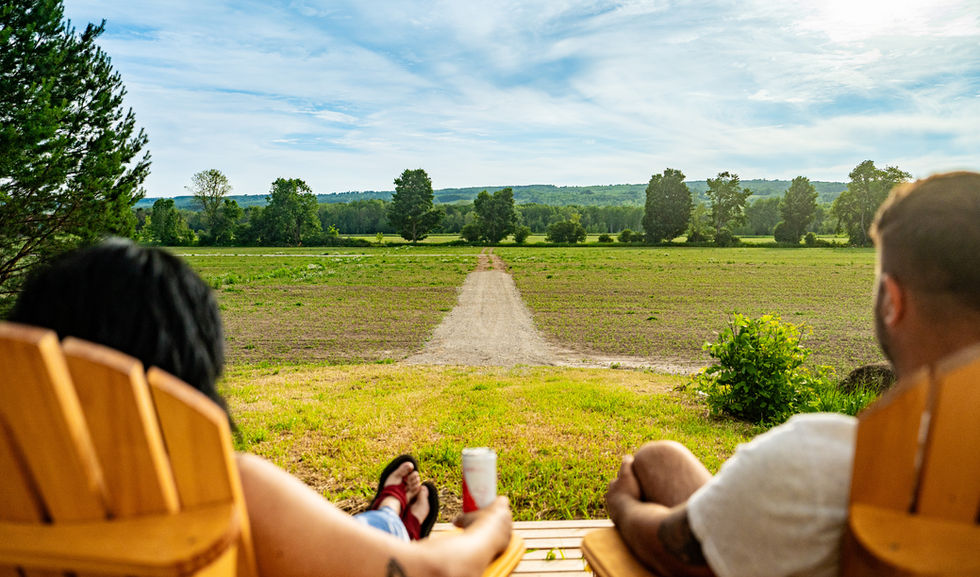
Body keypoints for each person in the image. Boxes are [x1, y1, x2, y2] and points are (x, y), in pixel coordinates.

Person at [9, 237, 512, 577]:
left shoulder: (14, 499)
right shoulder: (229, 491)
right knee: (361, 541)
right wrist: (492, 527)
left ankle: (385, 514)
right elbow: (429, 571)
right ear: (192, 370)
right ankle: (391, 520)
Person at [604, 171, 980, 577]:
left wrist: (624, 506)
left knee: (651, 467)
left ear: (891, 301)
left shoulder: (819, 463)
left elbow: (669, 551)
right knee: (662, 458)